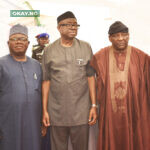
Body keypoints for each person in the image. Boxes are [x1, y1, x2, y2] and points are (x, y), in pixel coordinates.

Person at [90, 21, 150, 150]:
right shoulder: (99, 57)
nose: (121, 38)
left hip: (135, 110)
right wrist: (93, 105)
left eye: (124, 35)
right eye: (116, 35)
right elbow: (89, 79)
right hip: (110, 113)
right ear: (110, 38)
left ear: (129, 36)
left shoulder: (141, 57)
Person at [42, 11, 97, 150]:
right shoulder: (49, 50)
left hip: (81, 111)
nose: (73, 28)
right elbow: (46, 81)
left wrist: (94, 106)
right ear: (59, 28)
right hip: (57, 112)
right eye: (69, 25)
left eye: (75, 25)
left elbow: (90, 76)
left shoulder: (85, 47)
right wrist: (45, 110)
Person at [0, 24, 42, 150]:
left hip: (33, 123)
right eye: (14, 39)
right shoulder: (1, 64)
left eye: (22, 39)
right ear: (8, 43)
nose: (18, 42)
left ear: (28, 43)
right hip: (8, 122)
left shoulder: (36, 65)